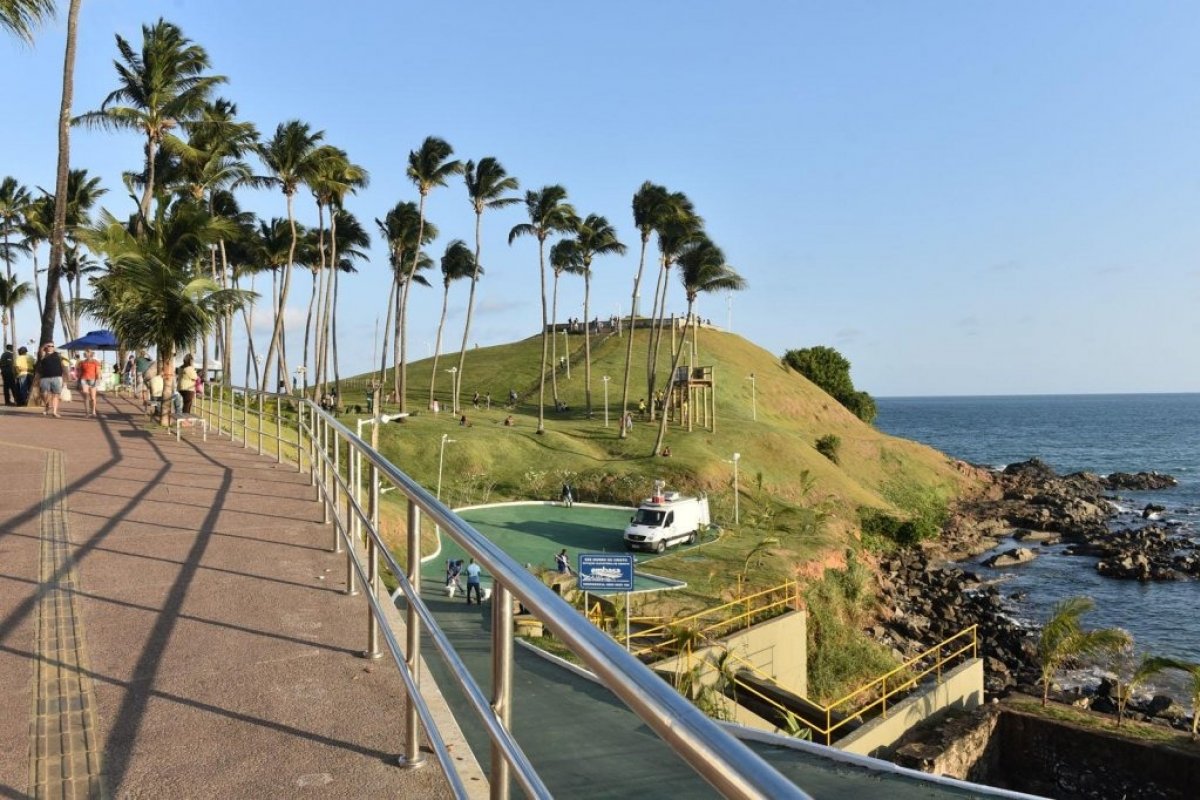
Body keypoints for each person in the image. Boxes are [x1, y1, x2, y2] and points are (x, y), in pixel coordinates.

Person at [34, 342, 67, 418]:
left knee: (56, 394)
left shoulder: (58, 355)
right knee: (44, 394)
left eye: (52, 346)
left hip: (57, 377)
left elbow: (63, 366)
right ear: (46, 347)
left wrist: (65, 378)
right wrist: (43, 346)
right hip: (45, 377)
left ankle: (55, 412)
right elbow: (40, 351)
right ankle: (47, 405)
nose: (51, 347)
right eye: (49, 346)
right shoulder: (43, 354)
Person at [76, 349, 103, 417]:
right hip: (84, 379)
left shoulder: (95, 362)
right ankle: (87, 412)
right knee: (86, 396)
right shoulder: (82, 362)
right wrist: (78, 380)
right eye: (84, 352)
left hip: (93, 379)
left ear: (90, 353)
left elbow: (98, 372)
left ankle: (93, 411)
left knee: (93, 397)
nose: (84, 353)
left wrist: (98, 380)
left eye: (86, 352)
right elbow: (80, 372)